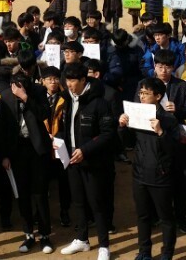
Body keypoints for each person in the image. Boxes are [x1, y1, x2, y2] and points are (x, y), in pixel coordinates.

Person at [58, 63, 117, 260]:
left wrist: (85, 150)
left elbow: (108, 134)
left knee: (97, 203)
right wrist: (58, 142)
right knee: (78, 201)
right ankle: (82, 239)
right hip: (72, 160)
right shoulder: (67, 99)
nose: (69, 85)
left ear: (84, 80)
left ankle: (104, 245)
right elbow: (66, 128)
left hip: (94, 162)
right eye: (67, 81)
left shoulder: (99, 102)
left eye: (73, 81)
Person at [118, 77, 180, 260]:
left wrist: (161, 132)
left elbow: (175, 150)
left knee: (166, 217)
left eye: (146, 93)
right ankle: (144, 251)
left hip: (161, 176)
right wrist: (123, 127)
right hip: (140, 173)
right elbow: (129, 144)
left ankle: (167, 253)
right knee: (143, 216)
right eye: (141, 93)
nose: (142, 96)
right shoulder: (137, 115)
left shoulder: (168, 120)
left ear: (158, 96)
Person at [0, 71, 55, 254]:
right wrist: (5, 155)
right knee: (22, 194)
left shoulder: (38, 92)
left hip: (37, 148)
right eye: (16, 84)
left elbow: (44, 114)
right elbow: (4, 128)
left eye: (23, 84)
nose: (19, 87)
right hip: (17, 150)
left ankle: (45, 235)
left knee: (40, 192)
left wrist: (25, 97)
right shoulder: (6, 95)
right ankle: (28, 234)